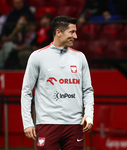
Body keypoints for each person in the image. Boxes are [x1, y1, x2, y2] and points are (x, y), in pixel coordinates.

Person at [21, 16, 94, 150]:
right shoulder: (37, 57)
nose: (75, 36)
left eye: (75, 32)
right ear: (58, 32)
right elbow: (26, 92)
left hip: (74, 125)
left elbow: (88, 90)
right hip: (47, 124)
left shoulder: (80, 57)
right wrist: (27, 123)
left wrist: (89, 114)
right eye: (71, 32)